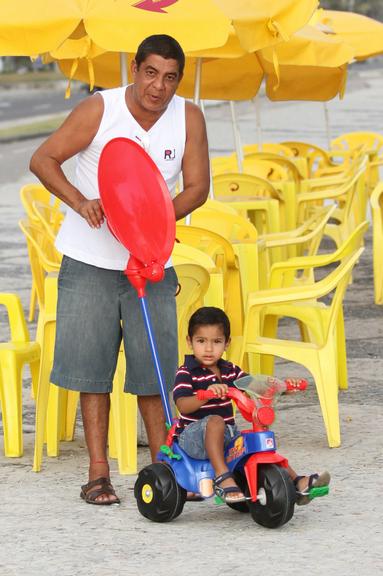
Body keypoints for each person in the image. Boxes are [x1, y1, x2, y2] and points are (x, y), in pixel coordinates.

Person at [30, 35, 210, 505]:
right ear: (135, 68)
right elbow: (42, 158)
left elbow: (198, 187)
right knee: (93, 371)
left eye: (170, 77)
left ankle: (165, 469)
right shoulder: (100, 109)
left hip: (150, 263)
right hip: (90, 260)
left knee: (154, 368)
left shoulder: (188, 116)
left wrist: (152, 221)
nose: (158, 86)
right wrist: (81, 201)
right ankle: (97, 473)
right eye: (151, 73)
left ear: (179, 79)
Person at [173, 307, 330, 504]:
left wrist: (282, 386)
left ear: (227, 343)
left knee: (253, 441)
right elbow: (183, 405)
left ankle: (296, 481)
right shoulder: (187, 372)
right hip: (193, 439)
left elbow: (255, 386)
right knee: (215, 420)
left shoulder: (230, 370)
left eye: (216, 341)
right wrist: (206, 394)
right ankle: (222, 477)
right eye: (201, 341)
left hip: (226, 435)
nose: (209, 349)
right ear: (189, 342)